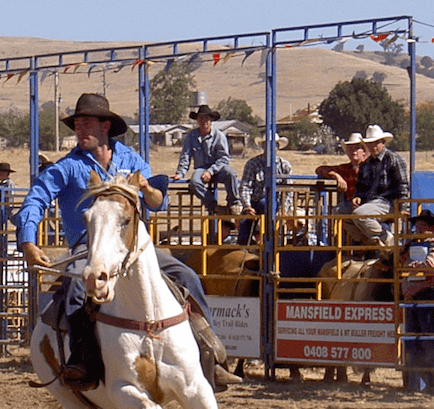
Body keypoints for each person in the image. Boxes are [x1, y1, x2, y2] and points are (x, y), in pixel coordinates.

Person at [15, 93, 227, 392]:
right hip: (88, 248)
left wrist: (146, 187)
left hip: (135, 248)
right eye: (77, 124)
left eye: (86, 123)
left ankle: (210, 355)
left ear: (105, 126)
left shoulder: (132, 160)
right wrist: (27, 240)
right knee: (77, 288)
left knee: (186, 276)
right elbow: (35, 199)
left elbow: (157, 202)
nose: (80, 130)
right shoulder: (66, 167)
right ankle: (82, 359)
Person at [399, 211, 434, 395]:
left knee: (429, 339)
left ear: (432, 228)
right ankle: (426, 382)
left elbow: (432, 266)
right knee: (414, 340)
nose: (418, 229)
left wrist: (414, 267)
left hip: (430, 292)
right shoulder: (413, 244)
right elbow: (400, 261)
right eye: (417, 226)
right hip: (418, 293)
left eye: (422, 226)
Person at [175, 105, 241, 241]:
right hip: (200, 168)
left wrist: (211, 171)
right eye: (201, 118)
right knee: (194, 182)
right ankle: (213, 205)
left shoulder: (219, 136)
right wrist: (180, 173)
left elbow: (224, 159)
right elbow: (185, 156)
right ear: (198, 120)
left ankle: (233, 203)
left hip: (218, 168)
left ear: (211, 121)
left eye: (206, 118)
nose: (204, 121)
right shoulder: (191, 136)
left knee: (231, 174)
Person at [341, 125, 408, 249]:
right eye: (370, 143)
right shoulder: (367, 163)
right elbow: (361, 185)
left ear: (383, 143)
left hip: (388, 202)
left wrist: (403, 206)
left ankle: (387, 239)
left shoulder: (393, 159)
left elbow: (402, 184)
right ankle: (368, 241)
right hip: (371, 203)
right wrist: (358, 196)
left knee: (359, 214)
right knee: (340, 214)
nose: (373, 146)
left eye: (376, 143)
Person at [237, 134, 293, 245]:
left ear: (277, 146)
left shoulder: (285, 166)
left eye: (273, 145)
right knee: (244, 229)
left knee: (276, 222)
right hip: (255, 203)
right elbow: (245, 187)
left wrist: (283, 208)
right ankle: (246, 246)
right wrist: (247, 206)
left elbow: (288, 191)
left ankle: (274, 244)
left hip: (276, 205)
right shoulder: (252, 164)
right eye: (267, 144)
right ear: (263, 146)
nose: (270, 148)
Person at [315, 132, 367, 203]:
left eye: (357, 148)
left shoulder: (370, 166)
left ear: (364, 151)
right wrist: (336, 175)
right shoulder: (345, 168)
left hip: (367, 203)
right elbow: (320, 169)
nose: (354, 151)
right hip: (349, 203)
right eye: (350, 148)